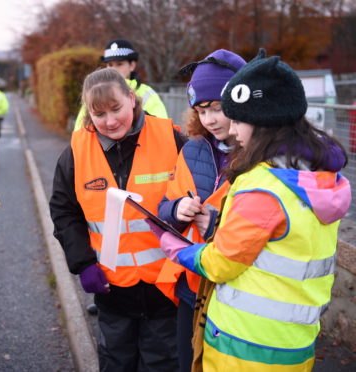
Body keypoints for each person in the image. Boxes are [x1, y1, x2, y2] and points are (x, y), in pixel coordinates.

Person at [152, 49, 351, 371]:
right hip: (294, 337)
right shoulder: (315, 177)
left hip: (245, 341)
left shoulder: (261, 183)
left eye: (235, 116)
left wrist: (175, 248)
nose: (232, 128)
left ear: (262, 120)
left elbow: (222, 263)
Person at [50, 68, 186, 370]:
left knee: (163, 363)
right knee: (116, 363)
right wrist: (83, 264)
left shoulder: (171, 138)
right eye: (99, 114)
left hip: (167, 287)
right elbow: (64, 211)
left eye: (116, 109)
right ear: (88, 113)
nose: (110, 121)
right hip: (112, 291)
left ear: (131, 98)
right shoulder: (75, 152)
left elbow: (197, 195)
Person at [155, 49, 246, 372]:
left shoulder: (260, 152)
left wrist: (215, 225)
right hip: (191, 285)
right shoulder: (193, 149)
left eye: (219, 109)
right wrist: (177, 209)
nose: (210, 119)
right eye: (202, 110)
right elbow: (161, 210)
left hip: (234, 292)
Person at [73, 39, 169, 131]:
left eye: (119, 64)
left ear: (132, 65)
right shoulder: (95, 93)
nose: (113, 69)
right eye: (110, 65)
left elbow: (160, 129)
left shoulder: (147, 93)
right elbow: (81, 132)